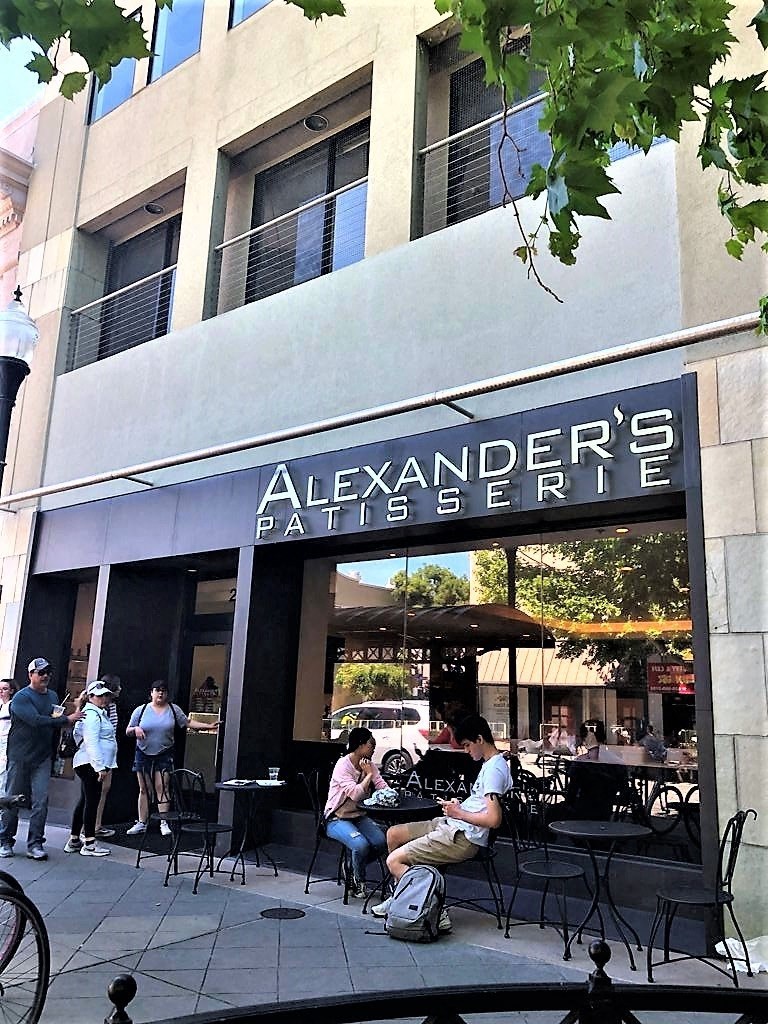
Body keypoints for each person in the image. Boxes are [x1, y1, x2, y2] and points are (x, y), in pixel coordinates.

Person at [372, 714, 511, 933]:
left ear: (479, 739)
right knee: (394, 834)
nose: (466, 751)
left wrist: (459, 813)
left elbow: (494, 820)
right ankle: (401, 895)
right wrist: (459, 808)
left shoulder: (494, 770)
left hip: (462, 837)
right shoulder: (491, 764)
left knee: (394, 860)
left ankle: (431, 906)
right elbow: (481, 807)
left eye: (467, 745)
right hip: (451, 824)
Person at [0, 658, 85, 860]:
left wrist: (66, 718)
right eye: (40, 672)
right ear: (30, 675)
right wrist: (66, 719)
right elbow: (35, 720)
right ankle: (5, 840)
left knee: (41, 801)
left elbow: (53, 721)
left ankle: (35, 844)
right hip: (19, 757)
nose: (45, 675)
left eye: (48, 672)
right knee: (13, 799)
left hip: (42, 757)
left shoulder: (53, 695)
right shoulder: (21, 697)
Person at [126, 680, 218, 836]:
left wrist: (209, 726)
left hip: (164, 752)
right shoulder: (141, 710)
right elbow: (128, 730)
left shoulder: (173, 709)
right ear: (151, 693)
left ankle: (164, 821)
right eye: (157, 690)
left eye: (163, 690)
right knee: (144, 789)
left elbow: (188, 722)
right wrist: (135, 729)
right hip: (143, 752)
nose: (160, 693)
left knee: (162, 787)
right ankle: (142, 822)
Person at [323, 727, 389, 899]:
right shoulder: (343, 765)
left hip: (358, 816)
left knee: (381, 842)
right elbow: (355, 794)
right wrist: (368, 775)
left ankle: (351, 867)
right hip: (336, 818)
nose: (374, 748)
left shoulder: (368, 764)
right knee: (361, 845)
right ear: (360, 745)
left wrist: (391, 794)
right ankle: (358, 879)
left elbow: (381, 785)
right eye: (371, 744)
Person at [64, 680, 118, 857]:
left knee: (85, 801)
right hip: (90, 763)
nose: (104, 699)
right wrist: (99, 767)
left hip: (88, 763)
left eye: (106, 695)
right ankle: (89, 843)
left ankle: (74, 839)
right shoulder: (92, 715)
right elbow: (91, 742)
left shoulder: (95, 713)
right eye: (100, 696)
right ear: (91, 696)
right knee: (91, 802)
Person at [93, 674, 121, 838]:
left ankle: (96, 824)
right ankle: (88, 827)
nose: (120, 689)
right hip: (101, 754)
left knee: (104, 789)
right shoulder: (102, 708)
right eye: (118, 686)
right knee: (97, 791)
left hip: (109, 753)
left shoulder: (112, 706)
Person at [0, 679, 17, 797]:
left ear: (11, 691)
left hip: (6, 743)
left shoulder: (12, 706)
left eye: (4, 689)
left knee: (3, 775)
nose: (1, 692)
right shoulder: (2, 706)